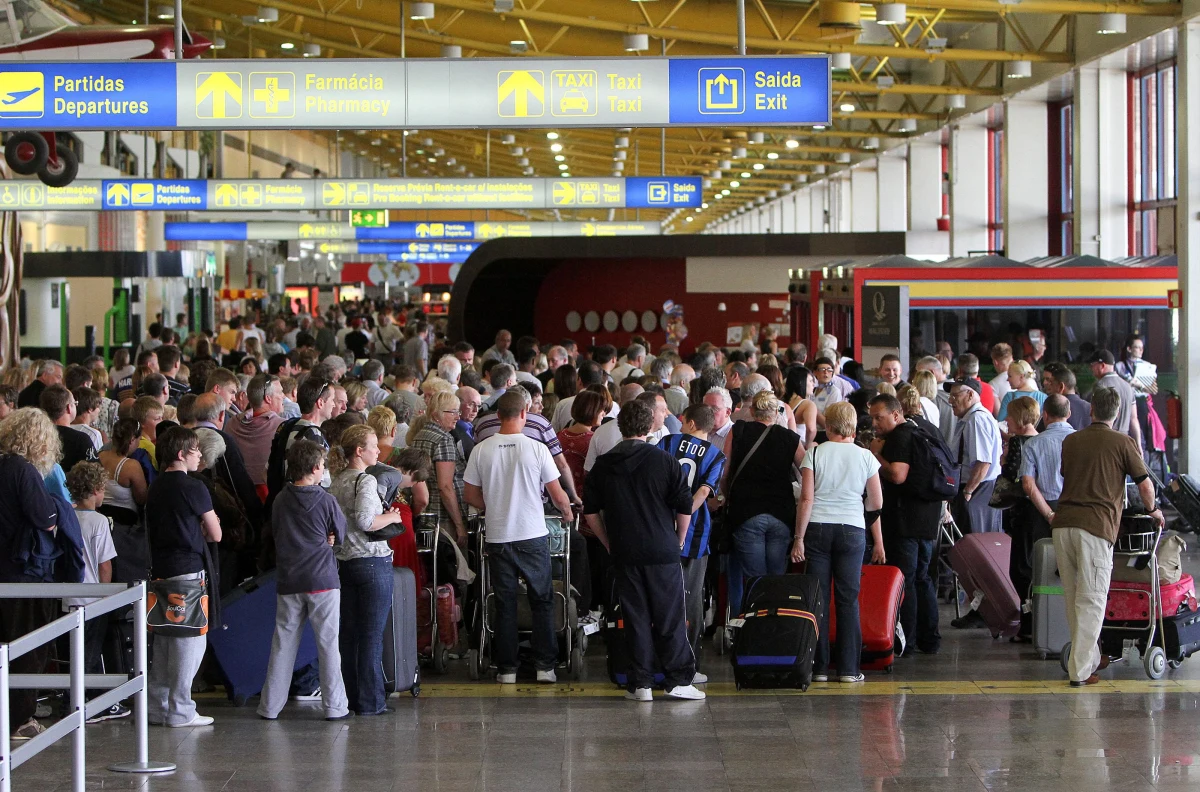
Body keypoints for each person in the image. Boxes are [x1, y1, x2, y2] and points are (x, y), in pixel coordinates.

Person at [583, 399, 702, 702]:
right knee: (669, 615)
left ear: (620, 426)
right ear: (651, 426)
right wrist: (679, 537)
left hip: (624, 551)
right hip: (662, 549)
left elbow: (591, 512)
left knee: (634, 617)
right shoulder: (664, 461)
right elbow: (684, 504)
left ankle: (641, 684)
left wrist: (608, 541)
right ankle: (677, 679)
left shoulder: (603, 465)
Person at [1053, 387, 1161, 686]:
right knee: (1092, 600)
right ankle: (1081, 671)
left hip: (1063, 525)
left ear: (1091, 410)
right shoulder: (1123, 442)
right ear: (1117, 413)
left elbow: (1067, 473)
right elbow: (1145, 485)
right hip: (1096, 528)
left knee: (1074, 599)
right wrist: (1153, 511)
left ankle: (1087, 658)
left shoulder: (1072, 440)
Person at [464, 391, 574, 684]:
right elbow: (557, 492)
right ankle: (544, 667)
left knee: (505, 601)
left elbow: (470, 494)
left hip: (498, 536)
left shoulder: (481, 450)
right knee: (541, 599)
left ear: (497, 415)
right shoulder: (537, 449)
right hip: (532, 535)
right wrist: (567, 513)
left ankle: (507, 669)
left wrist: (496, 504)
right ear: (525, 413)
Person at [257, 440, 351, 721]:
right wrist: (330, 539)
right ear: (314, 469)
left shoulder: (280, 500)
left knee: (283, 644)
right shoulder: (326, 499)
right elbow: (341, 534)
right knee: (328, 644)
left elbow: (276, 532)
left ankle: (270, 706)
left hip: (289, 580)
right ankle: (335, 706)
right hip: (322, 580)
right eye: (322, 466)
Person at [794, 402, 884, 683]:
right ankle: (848, 669)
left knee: (818, 600)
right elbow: (877, 501)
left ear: (827, 425)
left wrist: (799, 538)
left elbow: (806, 499)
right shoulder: (866, 456)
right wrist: (859, 510)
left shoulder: (815, 453)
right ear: (854, 426)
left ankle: (819, 668)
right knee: (848, 600)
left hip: (818, 528)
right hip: (852, 529)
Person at [145, 426, 221, 728]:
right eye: (195, 450)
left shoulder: (156, 486)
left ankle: (157, 705)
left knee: (164, 639)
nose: (200, 455)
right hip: (188, 571)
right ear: (181, 454)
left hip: (160, 570)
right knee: (190, 641)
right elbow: (215, 532)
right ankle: (181, 708)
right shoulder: (194, 487)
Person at [0, 408, 66, 739]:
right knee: (28, 647)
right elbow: (46, 518)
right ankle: (20, 718)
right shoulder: (24, 472)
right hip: (24, 574)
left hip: (3, 568)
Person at [330, 425, 403, 716]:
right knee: (371, 638)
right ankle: (372, 702)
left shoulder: (336, 481)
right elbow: (365, 520)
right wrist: (391, 516)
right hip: (373, 562)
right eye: (373, 446)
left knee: (349, 637)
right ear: (359, 451)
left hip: (345, 562)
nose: (378, 450)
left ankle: (350, 697)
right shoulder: (365, 481)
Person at [868, 394, 943, 655]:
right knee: (923, 579)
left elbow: (898, 475)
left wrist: (875, 454)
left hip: (904, 521)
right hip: (928, 518)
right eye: (872, 417)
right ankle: (930, 639)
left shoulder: (899, 436)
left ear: (896, 414)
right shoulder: (926, 428)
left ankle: (907, 642)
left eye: (880, 417)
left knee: (905, 580)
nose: (875, 423)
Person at [656, 404, 725, 682]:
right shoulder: (717, 455)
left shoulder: (668, 441)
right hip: (697, 533)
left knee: (663, 592)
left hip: (662, 525)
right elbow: (704, 492)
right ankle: (690, 661)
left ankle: (661, 657)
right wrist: (686, 512)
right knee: (692, 595)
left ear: (692, 423)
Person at [721, 390, 804, 618]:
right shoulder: (790, 438)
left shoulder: (738, 431)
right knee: (776, 577)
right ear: (777, 412)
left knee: (754, 579)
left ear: (752, 411)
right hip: (781, 513)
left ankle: (752, 628)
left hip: (746, 511)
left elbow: (724, 472)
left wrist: (727, 496)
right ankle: (773, 629)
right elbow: (806, 472)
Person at [63, 462, 131, 723]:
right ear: (96, 490)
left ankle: (71, 698)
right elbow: (105, 564)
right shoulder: (99, 521)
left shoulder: (65, 516)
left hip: (67, 596)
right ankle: (90, 703)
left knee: (73, 650)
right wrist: (107, 595)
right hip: (92, 597)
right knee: (91, 652)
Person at [1019, 394, 1075, 628]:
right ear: (1068, 414)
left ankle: (1038, 624)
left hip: (1043, 510)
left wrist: (1049, 515)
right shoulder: (1078, 440)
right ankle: (1068, 622)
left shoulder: (1033, 443)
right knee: (1072, 565)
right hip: (1074, 508)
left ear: (1045, 415)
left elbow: (1028, 485)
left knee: (1039, 567)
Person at [998, 396, 1040, 641]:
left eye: (1010, 416)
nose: (1006, 420)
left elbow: (1010, 476)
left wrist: (1004, 460)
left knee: (1020, 570)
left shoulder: (1018, 443)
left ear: (1021, 419)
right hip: (1042, 510)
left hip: (1023, 511)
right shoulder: (1041, 440)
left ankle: (1027, 625)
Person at [412, 390, 469, 549]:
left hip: (425, 514)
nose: (458, 417)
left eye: (458, 412)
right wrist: (459, 525)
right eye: (453, 412)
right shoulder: (444, 439)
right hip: (444, 517)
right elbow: (445, 487)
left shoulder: (419, 435)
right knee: (454, 569)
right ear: (436, 414)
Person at [948, 378, 1003, 534]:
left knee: (975, 543)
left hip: (978, 490)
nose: (950, 400)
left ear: (970, 395)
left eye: (954, 396)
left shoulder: (977, 419)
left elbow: (983, 462)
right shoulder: (975, 417)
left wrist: (968, 491)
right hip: (978, 488)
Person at [224, 373, 285, 498]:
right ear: (268, 398)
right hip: (271, 501)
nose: (283, 396)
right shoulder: (283, 428)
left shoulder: (231, 424)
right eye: (280, 392)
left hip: (234, 498)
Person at [1089, 349, 1143, 450]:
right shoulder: (1128, 387)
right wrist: (1138, 445)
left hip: (1105, 442)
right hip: (1125, 442)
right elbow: (1134, 418)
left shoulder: (1100, 386)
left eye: (1092, 365)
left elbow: (1094, 417)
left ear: (1102, 365)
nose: (1091, 368)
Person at [556, 390, 607, 496]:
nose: (604, 413)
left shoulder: (559, 435)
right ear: (591, 410)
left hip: (561, 494)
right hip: (586, 498)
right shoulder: (594, 439)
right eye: (601, 410)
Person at [41, 384, 97, 471]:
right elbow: (96, 475)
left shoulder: (37, 436)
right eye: (75, 403)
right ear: (68, 408)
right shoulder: (81, 440)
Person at [1042, 364, 1092, 431]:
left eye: (1051, 383)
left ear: (1061, 387)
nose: (1048, 385)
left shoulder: (1053, 407)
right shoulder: (1090, 408)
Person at [989, 343, 1015, 415]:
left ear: (995, 362)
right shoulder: (1027, 377)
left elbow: (999, 415)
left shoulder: (993, 384)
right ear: (1012, 358)